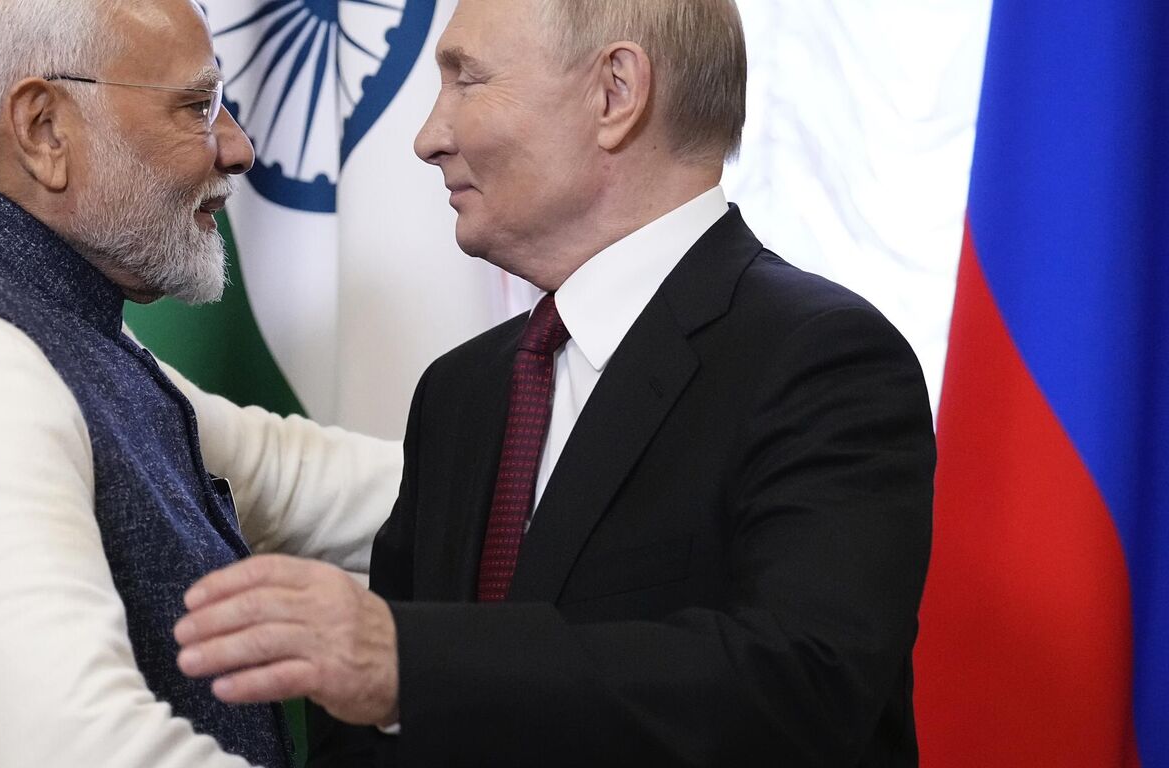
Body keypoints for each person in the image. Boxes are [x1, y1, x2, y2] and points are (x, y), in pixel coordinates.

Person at [172, 0, 938, 764]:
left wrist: (412, 665)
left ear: (615, 93)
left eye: (467, 80)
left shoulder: (822, 360)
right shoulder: (460, 391)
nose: (427, 137)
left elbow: (802, 688)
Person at [0, 0, 398, 766]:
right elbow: (85, 748)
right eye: (198, 107)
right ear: (44, 129)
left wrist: (551, 478)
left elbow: (289, 480)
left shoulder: (30, 322)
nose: (238, 148)